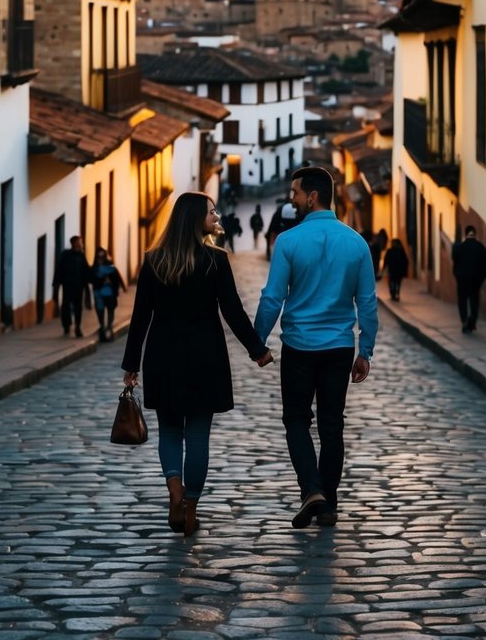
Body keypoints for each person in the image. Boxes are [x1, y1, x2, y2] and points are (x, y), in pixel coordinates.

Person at [122, 193, 273, 537]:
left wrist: (131, 364)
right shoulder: (215, 261)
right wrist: (257, 349)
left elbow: (140, 318)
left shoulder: (153, 261)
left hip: (162, 357)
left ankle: (173, 491)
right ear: (194, 219)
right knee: (199, 435)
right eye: (210, 212)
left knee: (171, 431)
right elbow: (232, 310)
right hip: (205, 358)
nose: (216, 215)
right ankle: (190, 507)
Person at [254, 165, 378, 529]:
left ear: (311, 196)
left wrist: (257, 340)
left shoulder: (289, 243)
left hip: (299, 347)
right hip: (339, 348)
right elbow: (367, 303)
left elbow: (272, 298)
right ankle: (328, 504)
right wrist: (364, 351)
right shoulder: (356, 243)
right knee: (331, 426)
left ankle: (312, 489)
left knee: (296, 419)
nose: (291, 201)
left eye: (294, 194)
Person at [451, 224, 486, 333]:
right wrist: (481, 279)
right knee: (474, 301)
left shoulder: (458, 248)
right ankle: (472, 322)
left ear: (466, 234)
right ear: (475, 234)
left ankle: (464, 321)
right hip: (475, 280)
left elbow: (455, 262)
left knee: (462, 300)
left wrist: (457, 276)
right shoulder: (481, 248)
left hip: (462, 280)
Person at [53, 235, 90, 338]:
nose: (81, 243)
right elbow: (59, 269)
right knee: (66, 306)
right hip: (67, 285)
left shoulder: (81, 256)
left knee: (78, 307)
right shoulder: (65, 255)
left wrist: (87, 282)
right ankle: (66, 325)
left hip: (78, 286)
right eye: (80, 241)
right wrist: (56, 283)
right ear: (74, 243)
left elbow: (86, 270)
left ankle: (78, 326)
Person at [91, 247, 123, 342]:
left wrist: (114, 285)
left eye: (102, 256)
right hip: (98, 293)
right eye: (99, 256)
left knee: (110, 310)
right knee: (100, 311)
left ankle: (109, 327)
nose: (100, 258)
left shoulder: (110, 266)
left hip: (110, 293)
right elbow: (93, 279)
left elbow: (117, 278)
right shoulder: (94, 268)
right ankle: (102, 327)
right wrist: (102, 280)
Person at [384, 237, 409, 302]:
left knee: (395, 282)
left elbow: (405, 261)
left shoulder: (398, 251)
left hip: (395, 271)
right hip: (395, 270)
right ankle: (394, 294)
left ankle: (394, 294)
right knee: (395, 283)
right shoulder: (398, 251)